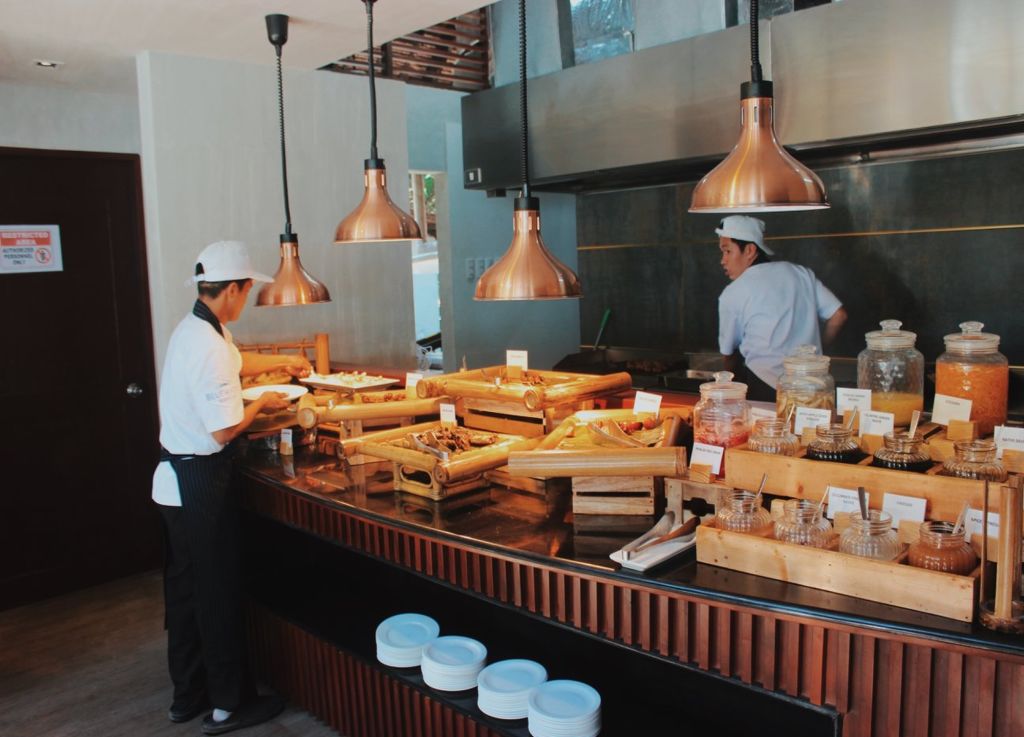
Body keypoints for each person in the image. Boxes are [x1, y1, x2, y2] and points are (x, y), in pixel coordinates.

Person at [151, 240, 311, 735]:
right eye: (246, 290)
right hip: (199, 481)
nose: (246, 299)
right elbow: (223, 431)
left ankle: (188, 695)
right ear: (235, 290)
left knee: (185, 594)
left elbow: (236, 362)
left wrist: (285, 362)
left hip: (174, 482)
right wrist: (264, 403)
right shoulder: (209, 346)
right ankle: (228, 706)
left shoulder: (197, 328)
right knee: (217, 593)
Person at [716, 216, 847, 401]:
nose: (723, 260)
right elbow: (839, 315)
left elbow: (728, 355)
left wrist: (730, 391)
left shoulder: (733, 292)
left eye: (727, 251)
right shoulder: (800, 273)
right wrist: (816, 353)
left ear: (750, 250)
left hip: (765, 387)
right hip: (812, 385)